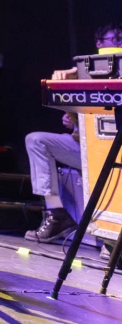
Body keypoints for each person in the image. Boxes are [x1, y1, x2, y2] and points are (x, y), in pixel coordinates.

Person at [24, 23, 122, 251]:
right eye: (114, 39)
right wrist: (75, 121)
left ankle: (112, 238)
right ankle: (57, 214)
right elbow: (80, 84)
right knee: (36, 140)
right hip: (87, 150)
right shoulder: (87, 70)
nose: (119, 43)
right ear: (99, 44)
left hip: (114, 153)